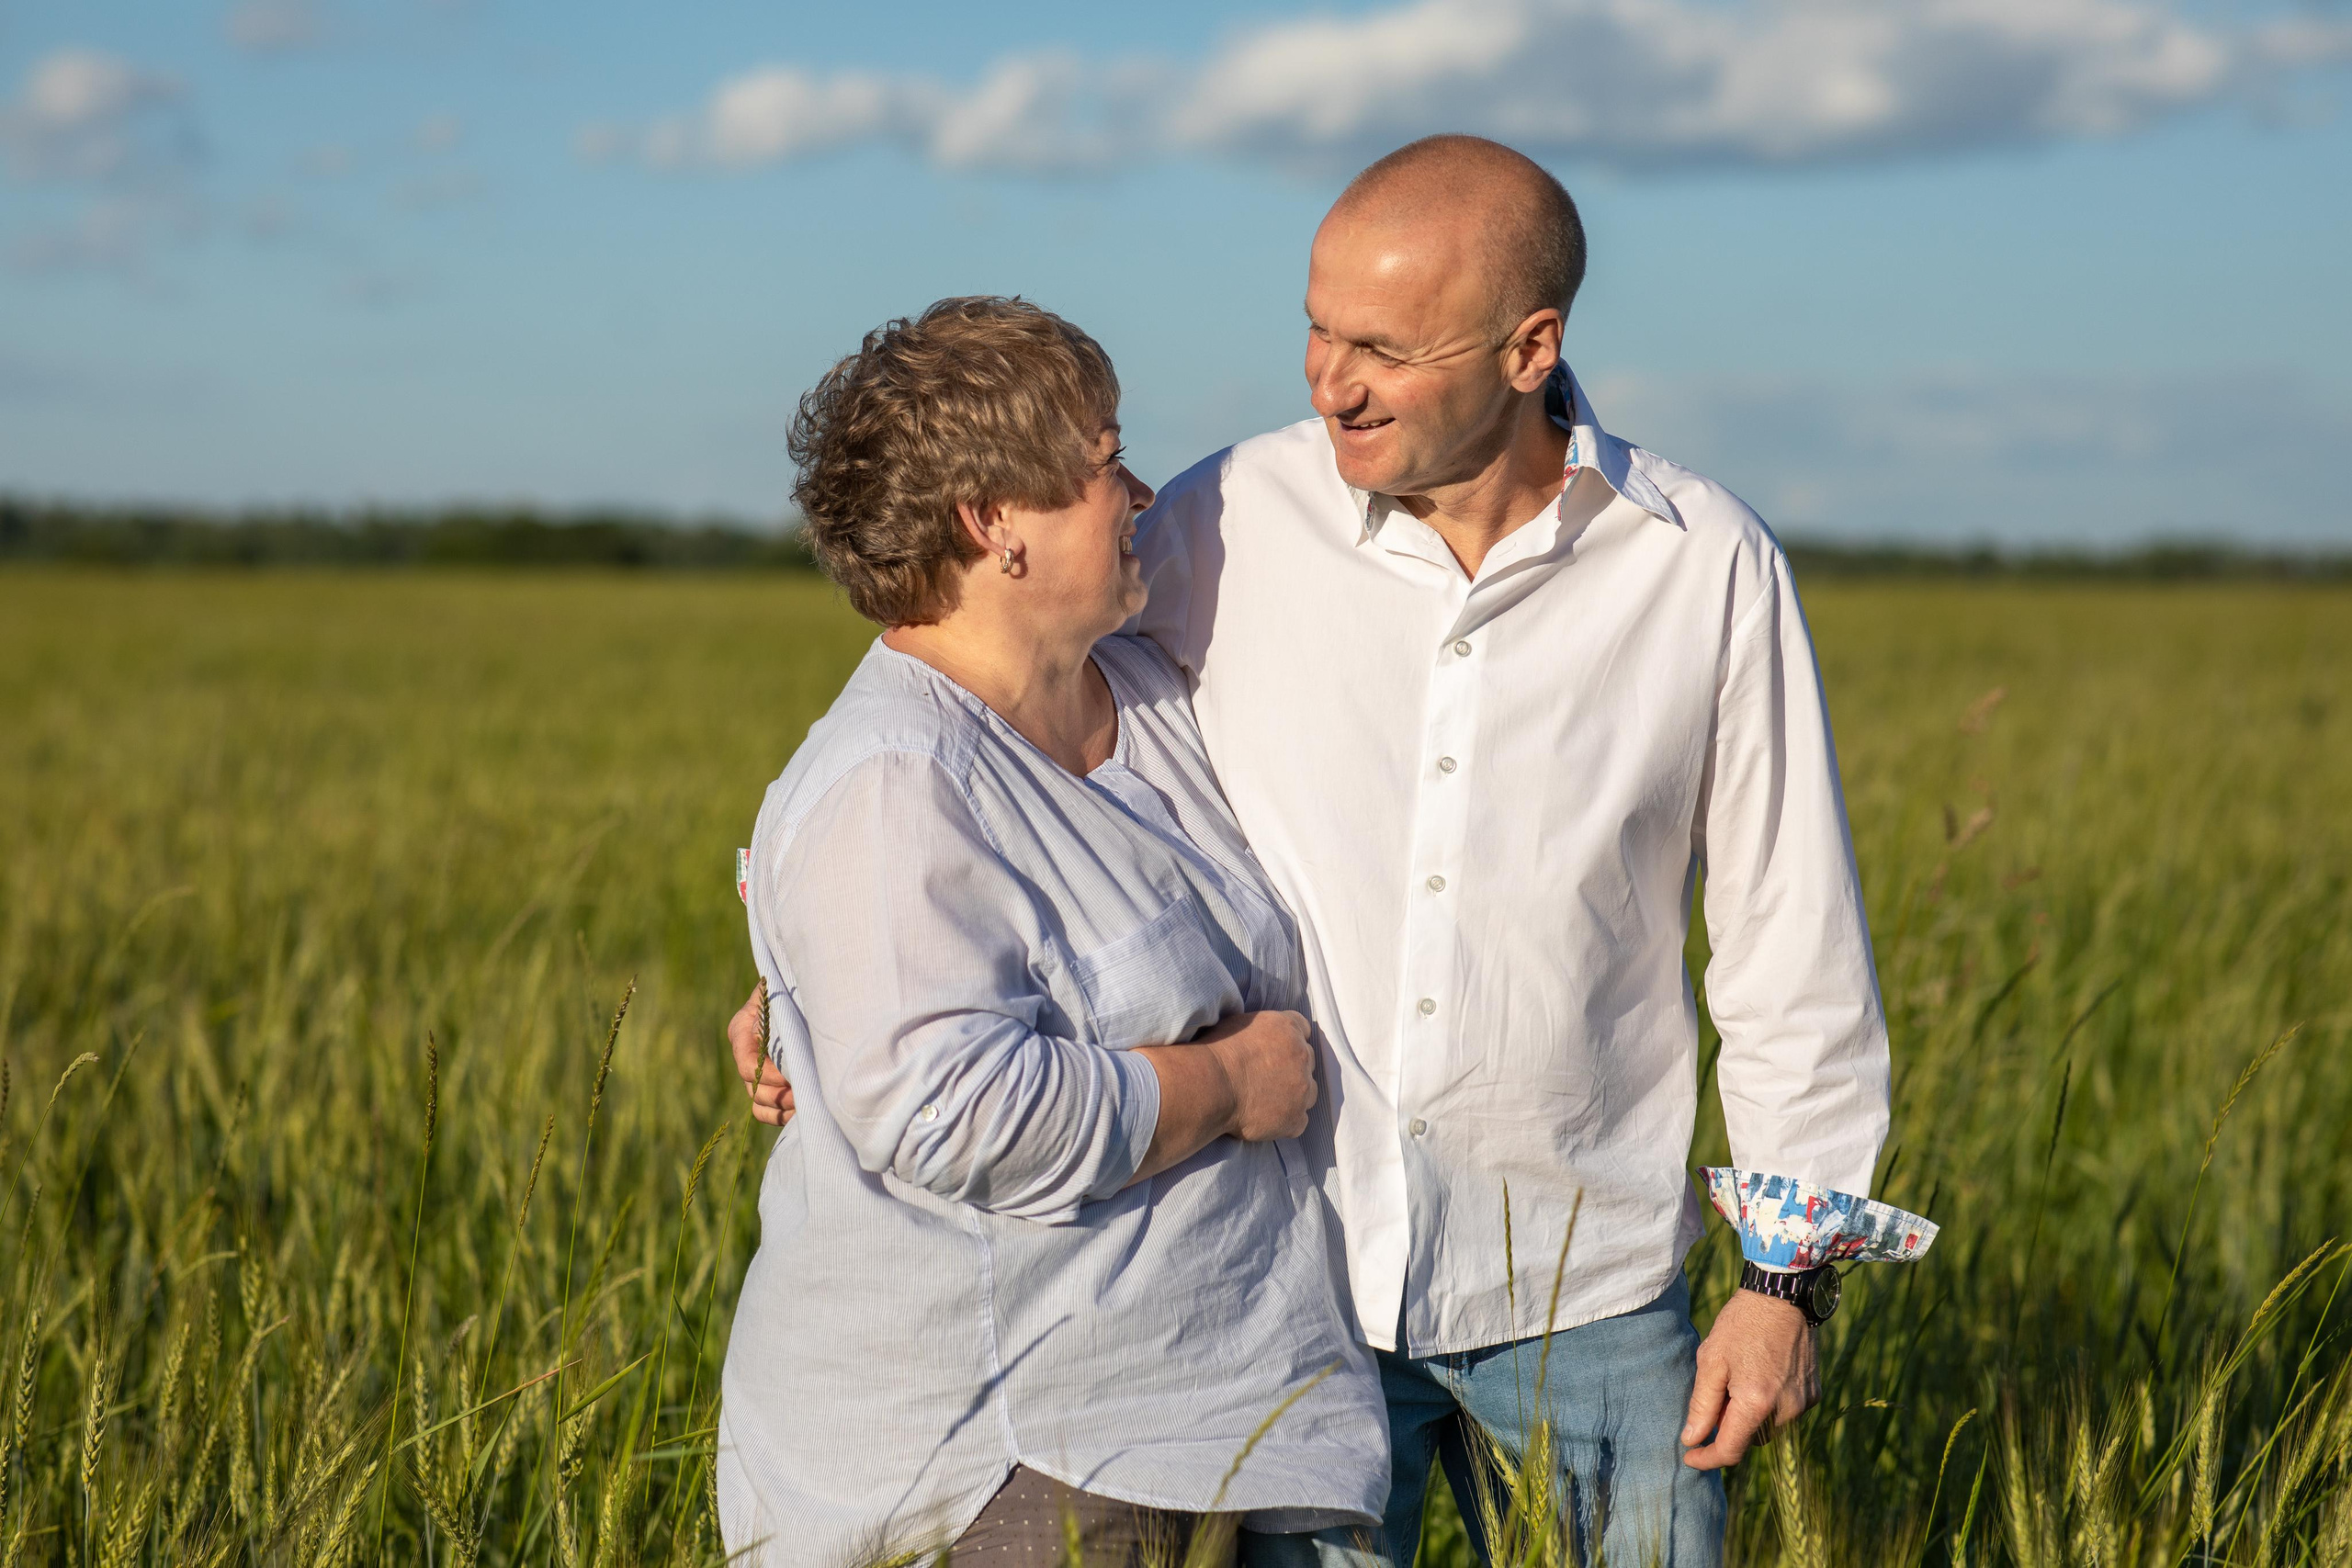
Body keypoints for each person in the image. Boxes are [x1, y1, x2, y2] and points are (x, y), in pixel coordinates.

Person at [731, 137, 1935, 1568]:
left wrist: (1787, 1287)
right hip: (1290, 1307)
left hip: (1593, 1301)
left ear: (1528, 347)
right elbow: (960, 698)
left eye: (1381, 346)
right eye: (1315, 327)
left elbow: (1790, 941)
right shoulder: (1220, 523)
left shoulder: (1701, 566)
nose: (1328, 379)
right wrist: (805, 990)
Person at [715, 297, 1388, 1568]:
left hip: (1237, 1420)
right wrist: (1230, 1082)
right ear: (993, 523)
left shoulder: (1145, 694)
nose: (1138, 491)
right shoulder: (895, 781)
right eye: (1101, 462)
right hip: (1030, 1468)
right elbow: (947, 1110)